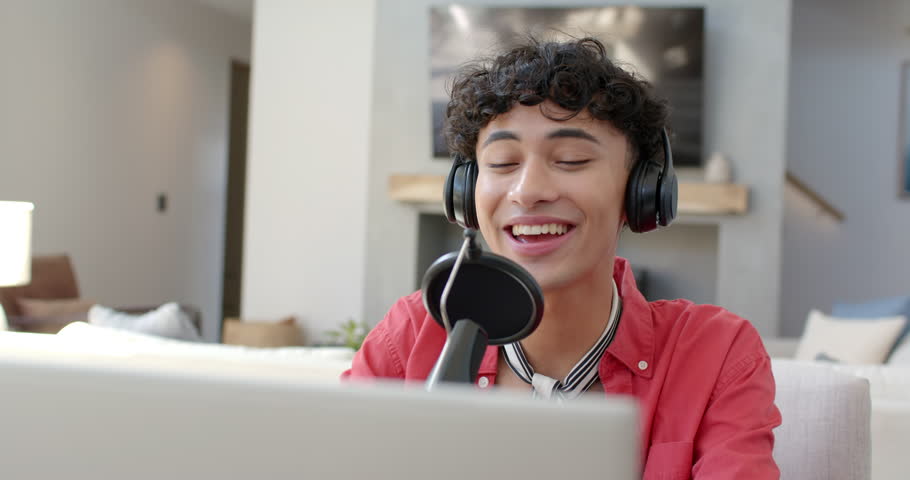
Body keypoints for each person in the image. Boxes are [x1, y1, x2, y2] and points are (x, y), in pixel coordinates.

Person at [343, 37, 781, 479]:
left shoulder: (715, 353)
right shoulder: (412, 335)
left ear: (640, 193)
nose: (528, 190)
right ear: (466, 195)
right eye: (502, 163)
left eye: (571, 159)